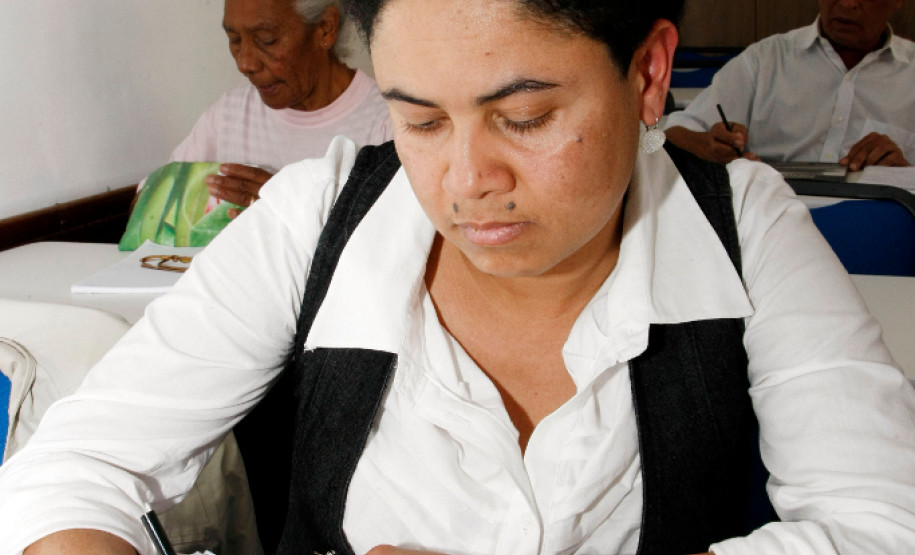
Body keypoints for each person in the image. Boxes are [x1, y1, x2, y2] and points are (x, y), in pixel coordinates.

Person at [2, 1, 914, 554]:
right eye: (420, 122)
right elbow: (78, 462)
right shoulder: (320, 216)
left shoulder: (739, 221)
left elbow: (883, 523)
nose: (465, 181)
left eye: (522, 116)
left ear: (647, 75)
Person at [139, 0, 391, 211]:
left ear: (325, 29)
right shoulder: (231, 114)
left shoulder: (385, 122)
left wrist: (287, 207)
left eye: (266, 40)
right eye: (234, 39)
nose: (245, 63)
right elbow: (144, 206)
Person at [664, 0, 915, 170]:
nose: (848, 3)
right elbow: (673, 133)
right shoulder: (765, 60)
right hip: (767, 218)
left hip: (876, 227)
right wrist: (708, 145)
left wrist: (902, 175)